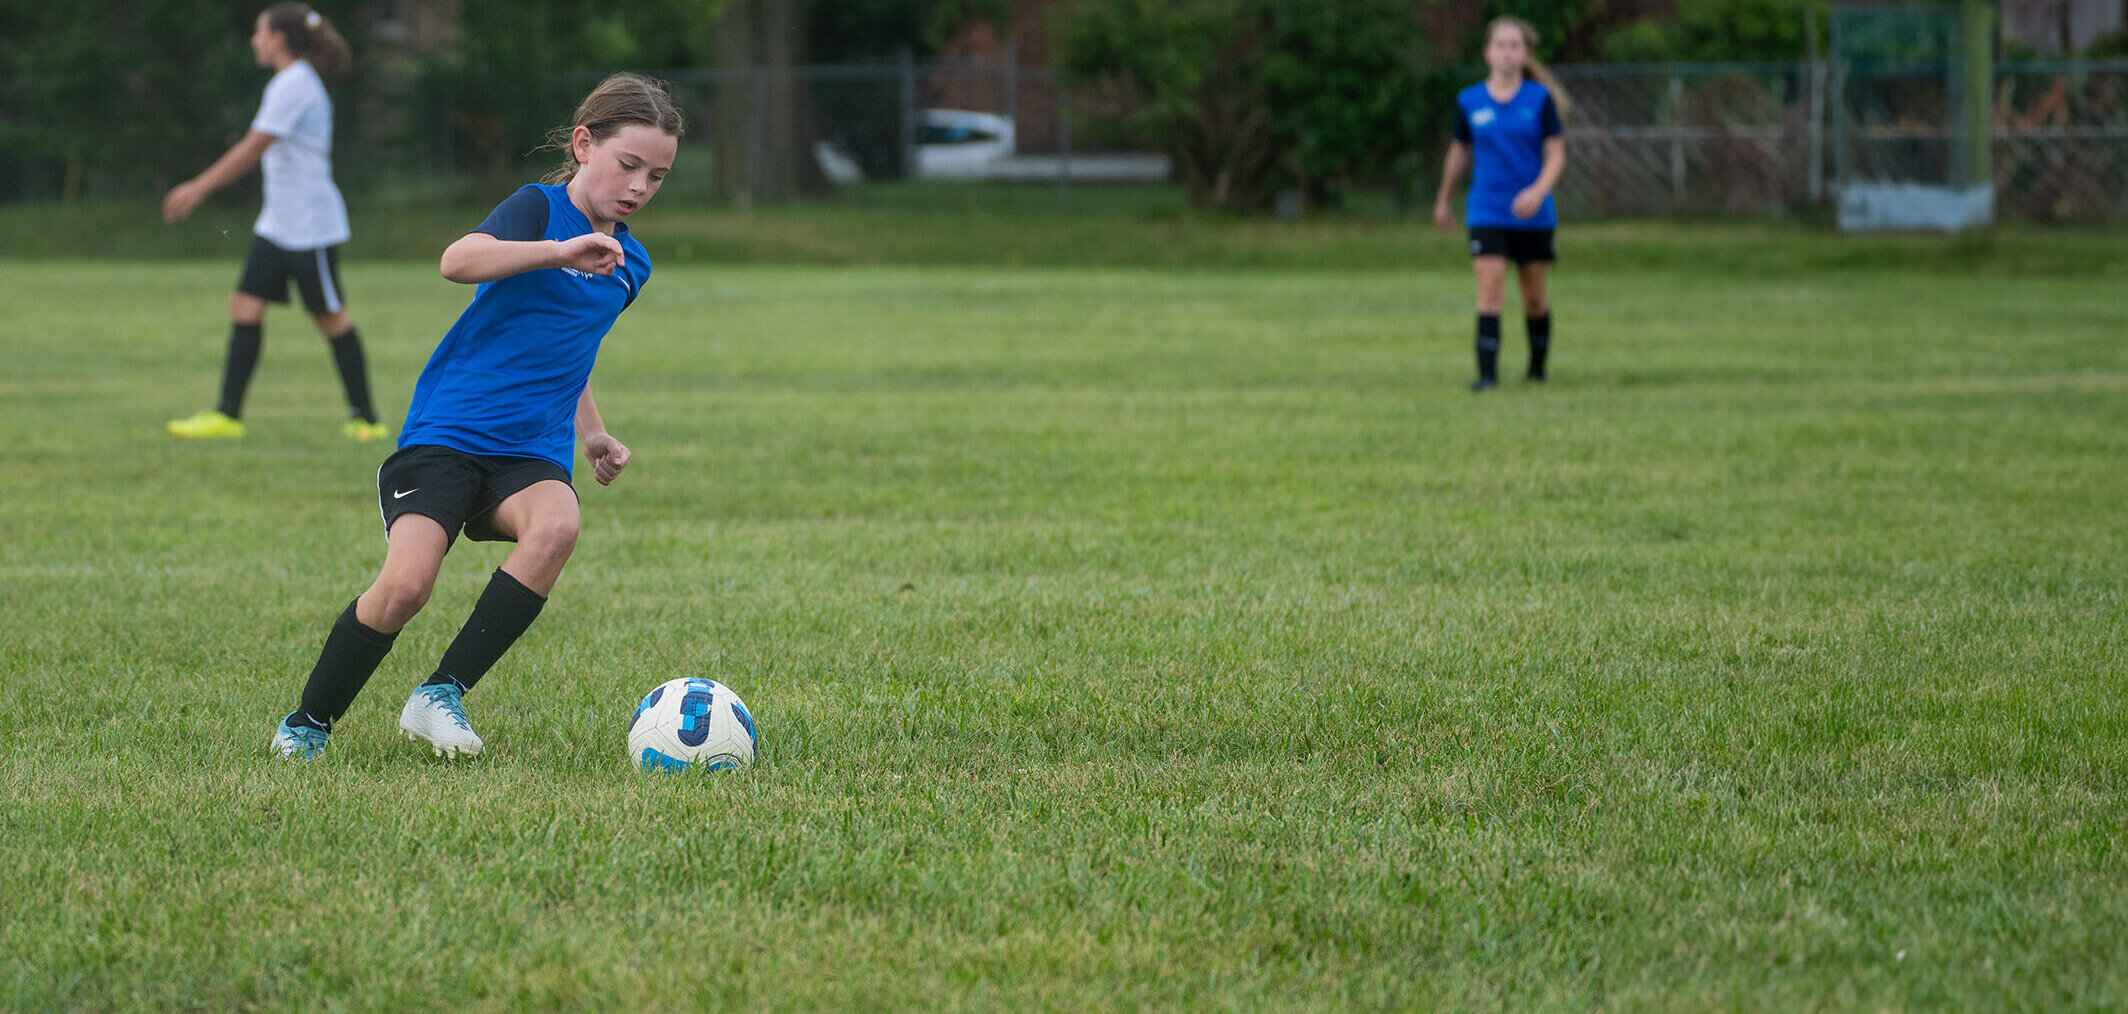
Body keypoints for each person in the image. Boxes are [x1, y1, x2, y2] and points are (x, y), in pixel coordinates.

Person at [269, 73, 683, 760]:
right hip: (447, 439)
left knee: (558, 524)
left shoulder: (630, 262)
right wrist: (558, 250)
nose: (640, 186)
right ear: (584, 145)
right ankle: (307, 724)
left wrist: (593, 434)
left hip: (529, 453)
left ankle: (440, 695)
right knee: (405, 587)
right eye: (629, 164)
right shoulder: (537, 210)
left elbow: (570, 350)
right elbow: (456, 261)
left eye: (658, 176)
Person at [163, 3, 386, 441]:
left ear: (279, 39)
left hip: (309, 225)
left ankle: (367, 419)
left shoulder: (296, 85)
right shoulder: (288, 82)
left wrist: (198, 187)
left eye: (259, 33)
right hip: (277, 224)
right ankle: (227, 415)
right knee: (244, 305)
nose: (254, 41)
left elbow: (253, 147)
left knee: (331, 318)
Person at [1433, 15, 1571, 392]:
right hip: (1487, 209)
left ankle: (1537, 370)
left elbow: (1556, 154)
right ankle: (1487, 376)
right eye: (1501, 45)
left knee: (1534, 296)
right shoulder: (1469, 100)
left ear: (1525, 54)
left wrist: (1538, 191)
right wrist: (1444, 200)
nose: (1508, 53)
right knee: (1490, 284)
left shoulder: (1539, 100)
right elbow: (1458, 153)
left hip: (1532, 213)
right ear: (1487, 52)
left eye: (1515, 46)